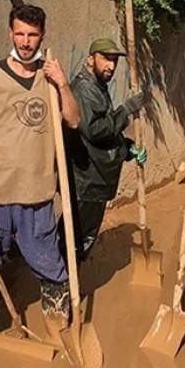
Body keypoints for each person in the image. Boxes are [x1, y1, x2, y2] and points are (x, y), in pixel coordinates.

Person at [0, 4, 80, 346]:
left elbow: (74, 120)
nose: (26, 41)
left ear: (42, 36)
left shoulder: (51, 79)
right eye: (20, 33)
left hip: (38, 194)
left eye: (33, 35)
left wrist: (62, 84)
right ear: (10, 33)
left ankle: (58, 334)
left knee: (51, 269)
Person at [65, 37, 147, 259]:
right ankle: (64, 286)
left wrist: (126, 148)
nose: (111, 65)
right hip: (87, 181)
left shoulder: (97, 87)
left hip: (96, 181)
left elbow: (105, 136)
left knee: (81, 239)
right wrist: (126, 110)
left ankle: (72, 282)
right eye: (106, 59)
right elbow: (95, 131)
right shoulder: (84, 88)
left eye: (114, 60)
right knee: (75, 241)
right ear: (91, 59)